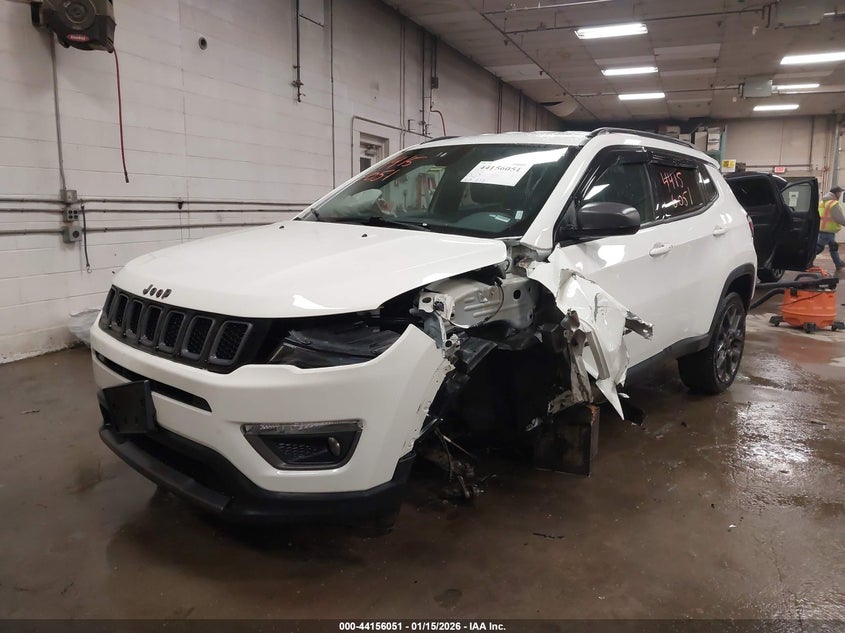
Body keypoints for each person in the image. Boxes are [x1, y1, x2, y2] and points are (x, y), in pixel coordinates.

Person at [816, 185, 845, 271]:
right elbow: (839, 218)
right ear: (837, 193)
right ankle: (806, 260)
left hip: (822, 228)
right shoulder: (833, 203)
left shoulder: (822, 202)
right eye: (840, 192)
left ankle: (838, 263)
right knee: (818, 248)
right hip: (827, 230)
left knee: (833, 247)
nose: (840, 194)